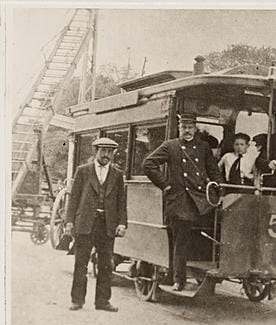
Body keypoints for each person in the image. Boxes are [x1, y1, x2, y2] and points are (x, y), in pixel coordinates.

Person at [143, 112, 222, 291]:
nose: (187, 130)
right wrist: (165, 185)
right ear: (179, 127)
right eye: (184, 127)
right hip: (180, 202)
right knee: (181, 240)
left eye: (190, 127)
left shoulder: (203, 148)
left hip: (201, 201)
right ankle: (179, 279)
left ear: (195, 128)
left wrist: (217, 188)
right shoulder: (170, 146)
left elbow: (213, 170)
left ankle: (195, 273)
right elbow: (148, 164)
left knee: (208, 235)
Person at [65, 137, 128, 312]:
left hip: (107, 224)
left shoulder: (117, 174)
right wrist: (69, 221)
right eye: (103, 151)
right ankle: (77, 300)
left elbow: (121, 201)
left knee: (106, 265)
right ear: (95, 151)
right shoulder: (83, 171)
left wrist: (122, 223)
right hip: (85, 223)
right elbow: (74, 198)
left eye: (110, 152)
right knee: (81, 263)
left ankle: (102, 301)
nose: (107, 155)